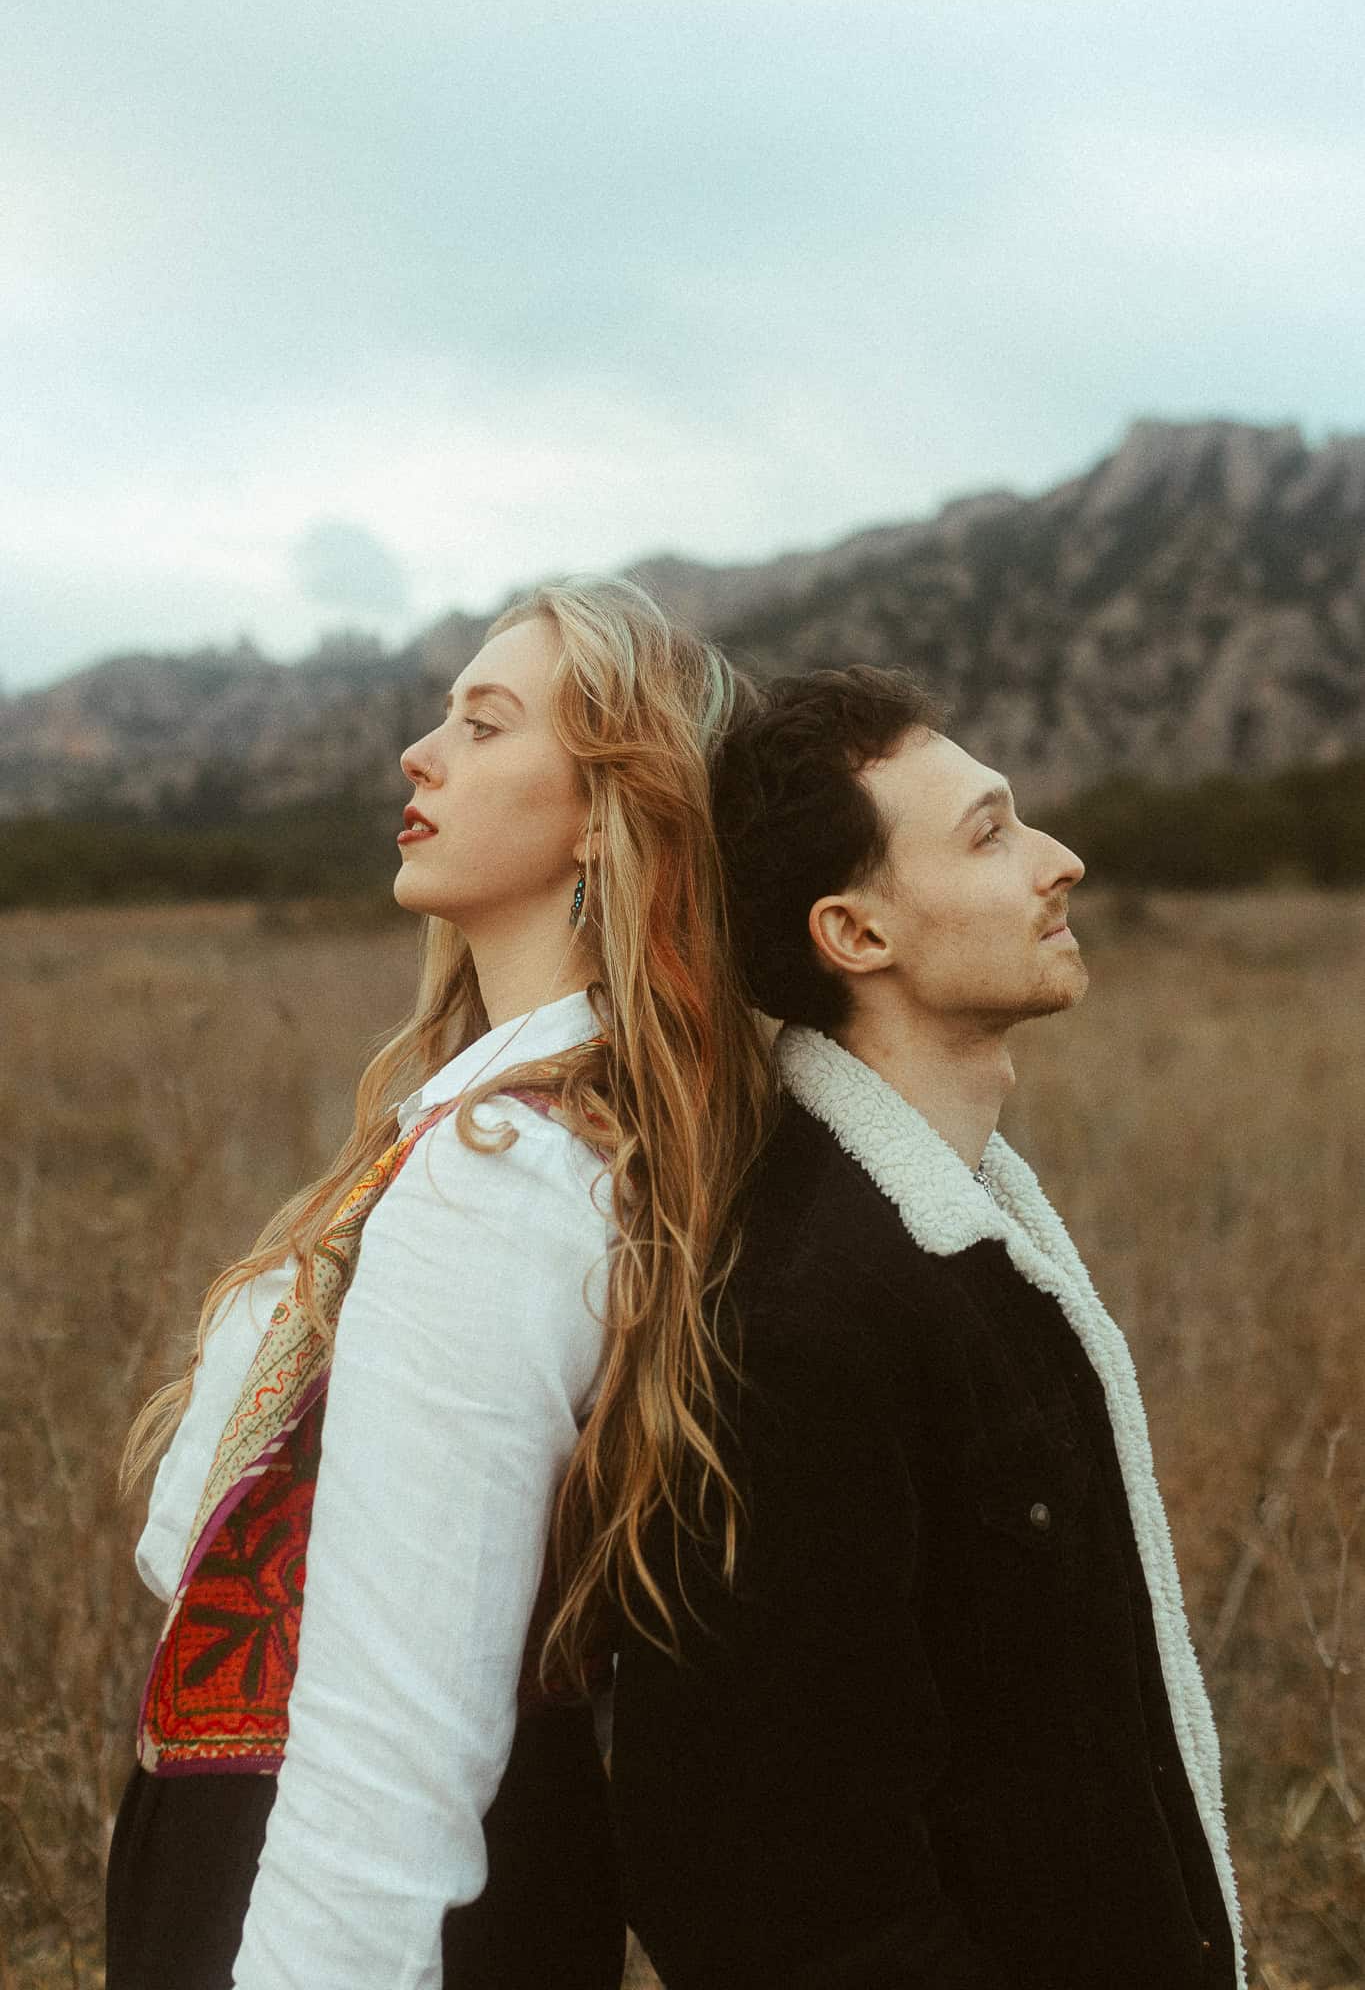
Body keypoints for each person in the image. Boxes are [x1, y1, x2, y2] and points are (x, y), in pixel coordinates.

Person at [105, 577, 775, 1990]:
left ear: (608, 810)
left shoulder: (506, 1167)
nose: (420, 753)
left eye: (484, 724)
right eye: (441, 718)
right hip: (335, 1848)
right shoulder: (489, 1118)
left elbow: (398, 1733)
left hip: (349, 1895)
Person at [609, 664, 1249, 1990]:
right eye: (991, 832)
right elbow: (771, 1895)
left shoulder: (961, 1232)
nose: (1059, 861)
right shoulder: (803, 1317)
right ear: (855, 936)